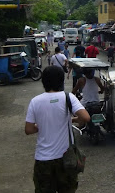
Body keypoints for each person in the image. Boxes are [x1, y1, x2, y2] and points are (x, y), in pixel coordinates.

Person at [25, 65, 90, 193]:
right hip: (66, 159)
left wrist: (42, 125)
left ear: (43, 81)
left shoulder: (35, 101)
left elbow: (29, 129)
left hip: (43, 160)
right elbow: (86, 117)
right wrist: (73, 120)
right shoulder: (68, 97)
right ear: (61, 81)